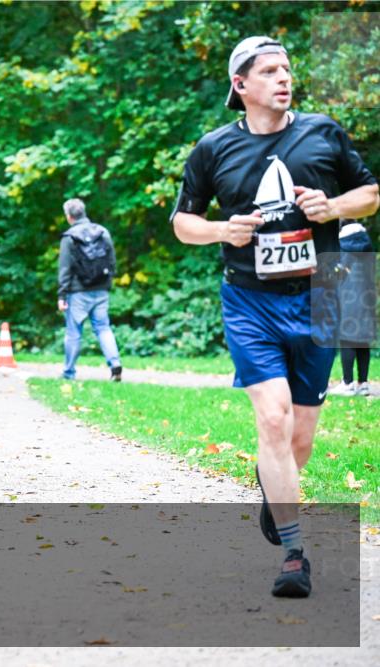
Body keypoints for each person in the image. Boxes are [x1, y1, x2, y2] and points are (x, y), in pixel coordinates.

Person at [171, 36, 379, 597]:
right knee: (273, 419)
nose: (284, 78)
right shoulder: (213, 148)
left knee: (300, 440)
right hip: (249, 299)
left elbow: (371, 193)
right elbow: (182, 223)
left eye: (287, 68)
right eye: (269, 71)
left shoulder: (323, 132)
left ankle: (274, 491)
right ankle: (294, 554)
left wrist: (333, 207)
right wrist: (222, 229)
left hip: (324, 293)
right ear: (241, 86)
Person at [56, 198, 122, 381]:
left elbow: (65, 268)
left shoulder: (69, 238)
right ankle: (115, 364)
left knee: (73, 332)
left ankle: (69, 372)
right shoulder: (102, 232)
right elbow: (112, 260)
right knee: (103, 328)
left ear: (69, 216)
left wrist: (62, 294)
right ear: (84, 213)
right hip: (101, 289)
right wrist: (108, 281)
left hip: (77, 292)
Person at [332, 220, 376, 396]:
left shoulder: (343, 246)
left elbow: (338, 274)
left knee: (347, 339)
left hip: (348, 296)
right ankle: (363, 384)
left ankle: (348, 383)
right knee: (362, 340)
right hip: (367, 296)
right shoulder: (367, 245)